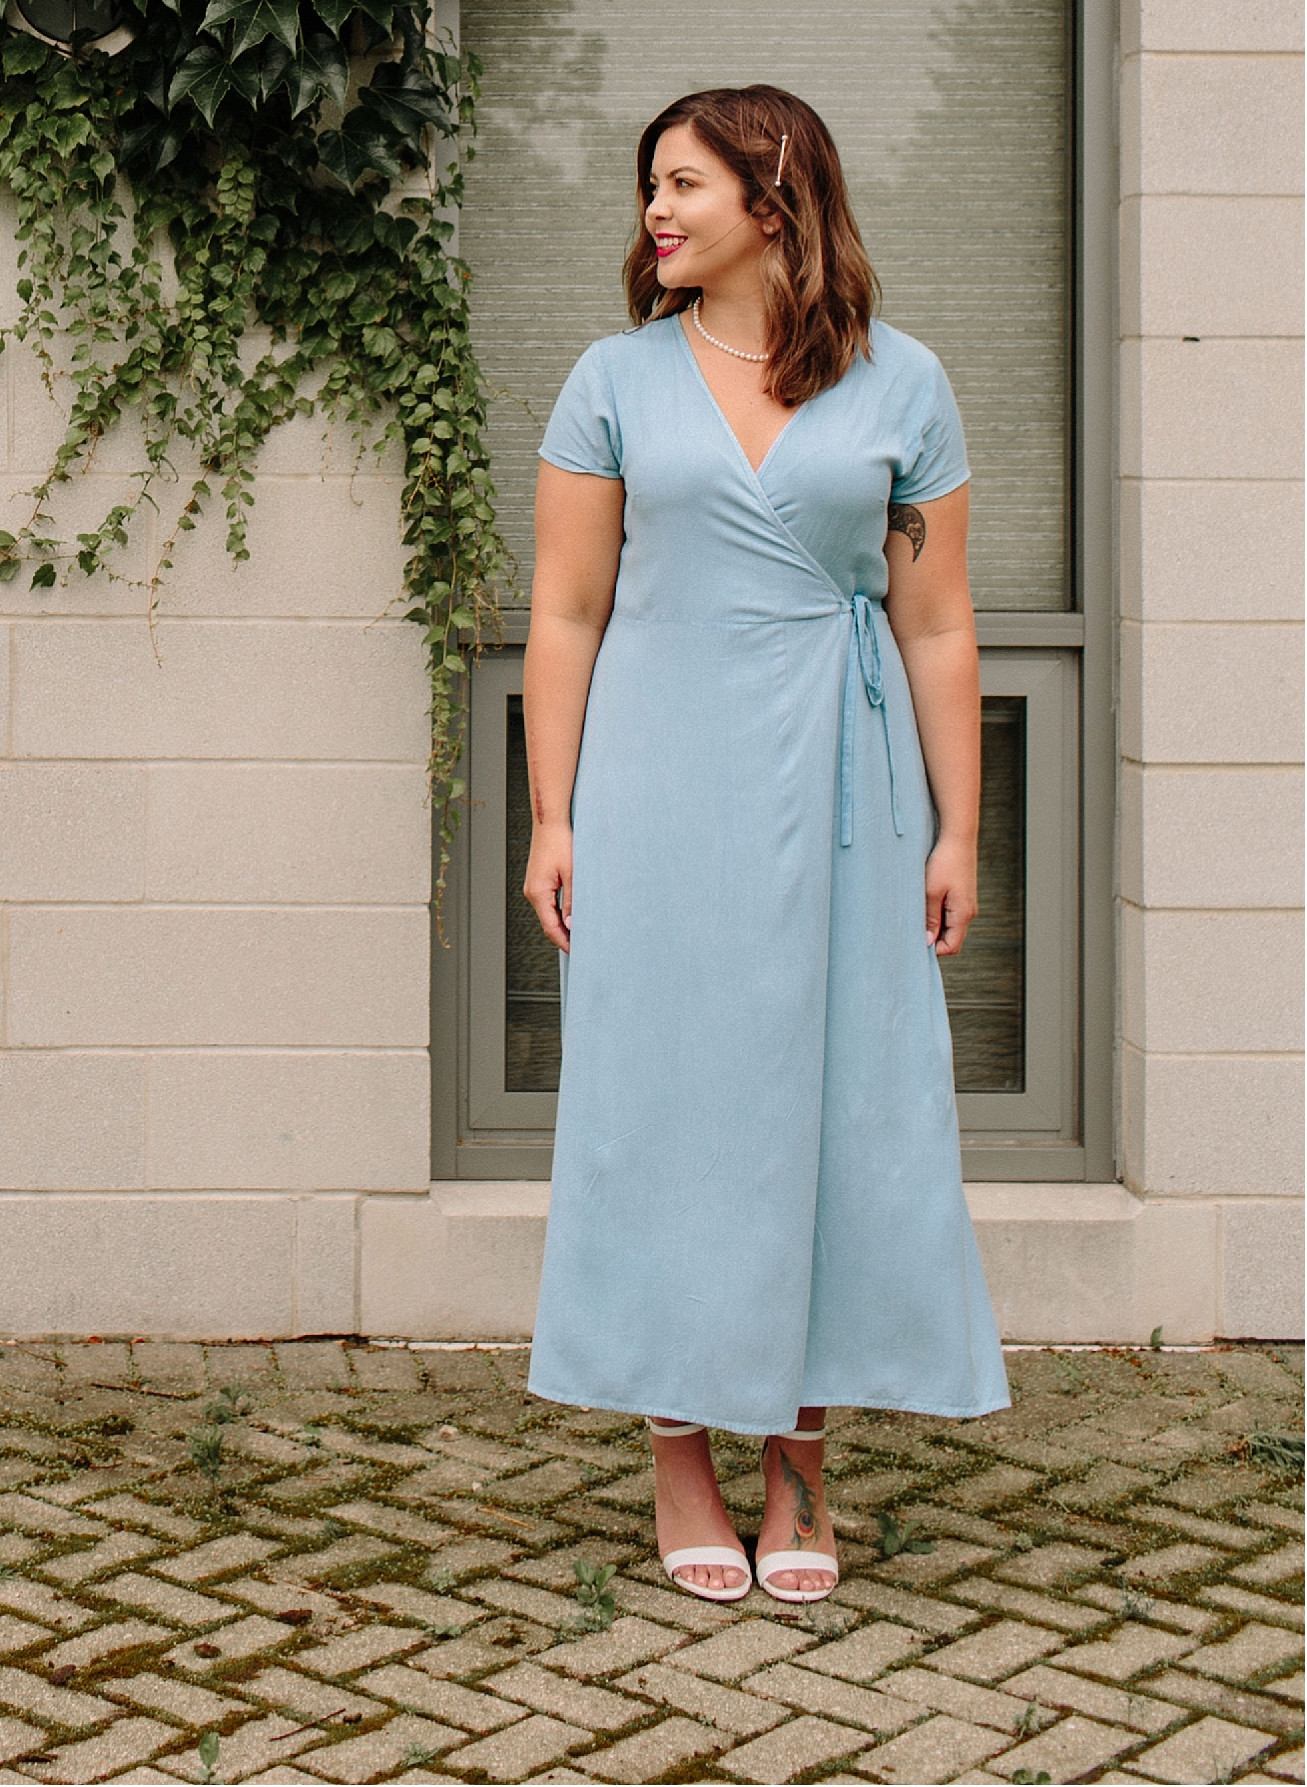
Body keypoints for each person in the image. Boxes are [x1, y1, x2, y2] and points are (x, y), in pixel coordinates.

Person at [520, 84, 1006, 1607]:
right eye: (650, 188)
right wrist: (552, 814)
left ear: (775, 199)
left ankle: (798, 1456)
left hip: (842, 783)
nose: (655, 213)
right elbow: (568, 611)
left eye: (683, 185)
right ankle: (679, 1451)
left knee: (832, 1103)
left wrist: (958, 825)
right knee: (665, 1097)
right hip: (658, 783)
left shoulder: (903, 383)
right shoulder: (611, 378)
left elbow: (935, 621)